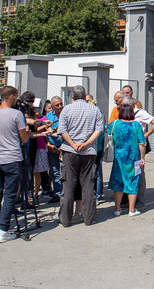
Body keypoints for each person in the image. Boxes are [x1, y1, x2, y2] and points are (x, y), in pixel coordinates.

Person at [0, 86, 32, 243]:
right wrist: (27, 131)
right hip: (12, 158)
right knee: (10, 194)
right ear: (11, 97)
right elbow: (24, 138)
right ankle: (3, 229)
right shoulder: (16, 114)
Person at [57, 85, 103, 227]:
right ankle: (89, 218)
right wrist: (86, 143)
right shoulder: (95, 110)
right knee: (88, 185)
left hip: (70, 152)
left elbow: (62, 130)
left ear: (73, 97)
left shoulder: (67, 109)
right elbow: (99, 130)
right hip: (88, 152)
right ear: (85, 96)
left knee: (68, 185)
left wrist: (72, 144)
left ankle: (65, 219)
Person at [107, 104, 147, 216]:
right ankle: (131, 209)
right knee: (133, 182)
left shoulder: (115, 124)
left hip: (119, 157)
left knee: (118, 182)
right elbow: (142, 143)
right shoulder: (136, 125)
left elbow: (106, 129)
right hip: (133, 157)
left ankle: (117, 209)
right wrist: (142, 157)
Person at [126, 96, 154, 208]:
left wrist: (145, 135)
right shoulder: (125, 114)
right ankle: (130, 200)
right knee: (129, 174)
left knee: (139, 173)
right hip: (127, 148)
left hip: (138, 148)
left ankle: (140, 201)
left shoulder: (141, 113)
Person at [45, 96, 63, 201]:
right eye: (57, 105)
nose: (60, 106)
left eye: (61, 104)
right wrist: (49, 145)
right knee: (55, 171)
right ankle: (57, 194)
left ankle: (66, 193)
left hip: (63, 147)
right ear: (52, 106)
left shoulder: (65, 114)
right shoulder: (49, 116)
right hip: (52, 148)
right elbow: (46, 131)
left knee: (64, 171)